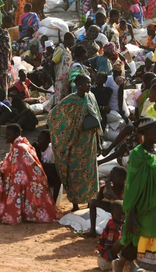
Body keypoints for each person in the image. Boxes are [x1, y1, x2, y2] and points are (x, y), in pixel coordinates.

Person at [117, 117, 156, 272]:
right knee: (140, 235)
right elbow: (132, 185)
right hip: (142, 204)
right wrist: (132, 214)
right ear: (146, 132)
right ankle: (124, 262)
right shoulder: (137, 154)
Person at [0, 124, 60, 224]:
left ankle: (14, 213)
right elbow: (12, 164)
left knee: (15, 183)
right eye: (6, 134)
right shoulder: (21, 144)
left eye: (9, 135)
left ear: (16, 134)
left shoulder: (19, 147)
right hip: (33, 179)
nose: (6, 137)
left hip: (31, 180)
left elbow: (13, 168)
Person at [48, 74, 101, 212]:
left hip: (90, 143)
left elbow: (97, 121)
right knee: (75, 173)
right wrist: (68, 130)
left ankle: (90, 201)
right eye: (87, 83)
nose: (89, 85)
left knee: (90, 173)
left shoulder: (92, 98)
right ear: (78, 85)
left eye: (90, 83)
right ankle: (75, 204)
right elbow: (54, 116)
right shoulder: (70, 101)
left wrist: (99, 143)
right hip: (76, 143)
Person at [84, 166, 127, 238]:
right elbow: (99, 199)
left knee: (118, 210)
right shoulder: (113, 185)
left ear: (122, 178)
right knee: (92, 202)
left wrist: (110, 190)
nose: (110, 179)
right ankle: (92, 231)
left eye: (113, 177)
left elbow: (120, 204)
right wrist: (103, 190)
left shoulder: (126, 188)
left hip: (123, 211)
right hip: (113, 207)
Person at [45, 32, 75, 111]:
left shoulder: (67, 50)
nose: (73, 42)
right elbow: (52, 65)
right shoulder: (60, 50)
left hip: (66, 80)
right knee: (58, 102)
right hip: (60, 80)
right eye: (72, 40)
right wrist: (54, 79)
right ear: (68, 39)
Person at [33, 129, 61, 201]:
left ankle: (53, 201)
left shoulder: (52, 149)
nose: (38, 140)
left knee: (56, 177)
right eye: (38, 138)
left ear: (48, 141)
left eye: (41, 139)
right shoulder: (35, 147)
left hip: (50, 174)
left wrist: (42, 165)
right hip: (40, 172)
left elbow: (58, 165)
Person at [97, 201, 125, 271]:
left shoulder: (119, 222)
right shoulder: (113, 226)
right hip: (107, 252)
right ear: (112, 214)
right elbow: (107, 246)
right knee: (122, 240)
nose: (121, 217)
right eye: (118, 214)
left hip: (112, 250)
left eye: (123, 214)